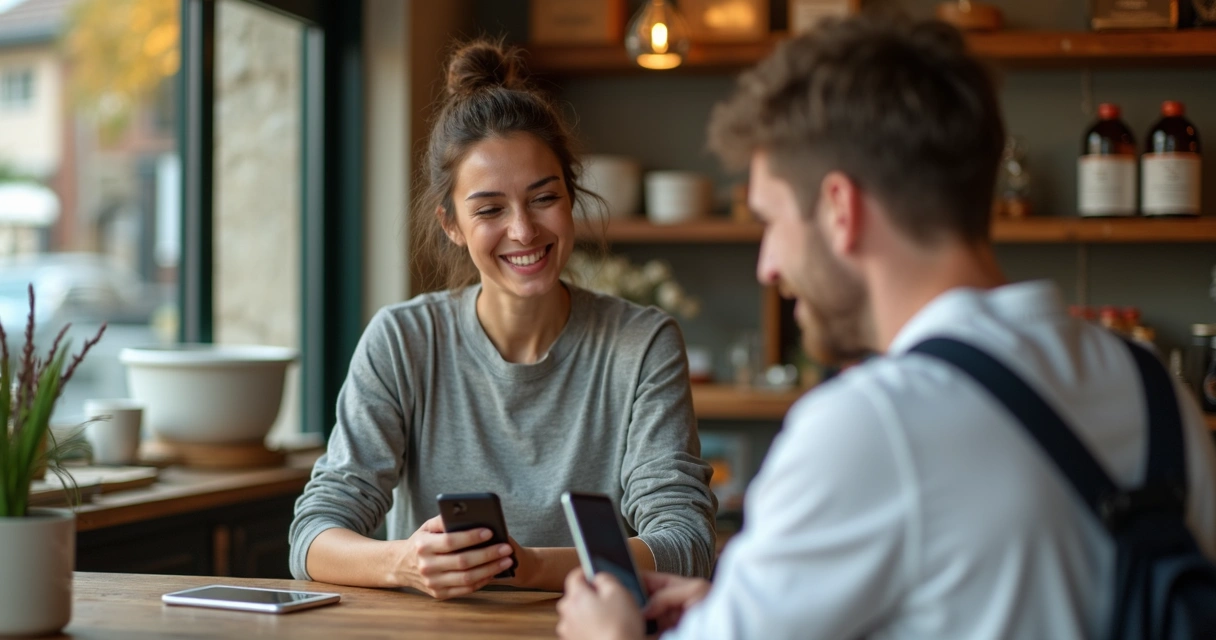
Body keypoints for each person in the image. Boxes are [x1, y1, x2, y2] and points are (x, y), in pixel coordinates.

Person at [556, 16, 1216, 639]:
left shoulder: (871, 424)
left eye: (772, 220)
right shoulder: (1154, 388)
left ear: (840, 210)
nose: (767, 264)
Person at [289, 40, 716, 600]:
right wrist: (404, 563)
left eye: (544, 198)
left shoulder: (641, 343)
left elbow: (686, 544)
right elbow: (311, 538)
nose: (523, 230)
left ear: (571, 196)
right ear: (451, 224)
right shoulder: (403, 341)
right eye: (490, 209)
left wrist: (529, 566)